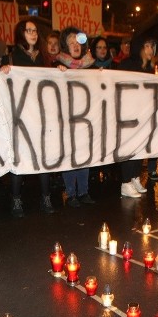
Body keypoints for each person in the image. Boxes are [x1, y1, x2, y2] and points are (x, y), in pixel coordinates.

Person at [6, 19, 56, 217]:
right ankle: (16, 198)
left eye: (35, 31)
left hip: (42, 115)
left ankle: (46, 197)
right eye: (28, 31)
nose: (33, 34)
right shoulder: (12, 57)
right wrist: (4, 71)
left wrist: (58, 71)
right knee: (20, 157)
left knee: (43, 158)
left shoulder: (45, 58)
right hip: (21, 116)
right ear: (21, 33)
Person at [56, 27, 96, 207]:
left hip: (85, 118)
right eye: (70, 42)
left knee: (84, 155)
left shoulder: (91, 66)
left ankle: (84, 191)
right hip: (66, 118)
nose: (75, 45)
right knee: (70, 155)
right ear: (65, 45)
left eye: (78, 41)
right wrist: (58, 73)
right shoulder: (57, 65)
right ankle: (71, 193)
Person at [118, 39, 158, 184]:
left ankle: (134, 177)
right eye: (146, 46)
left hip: (142, 113)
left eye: (152, 46)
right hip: (128, 114)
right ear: (139, 48)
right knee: (129, 148)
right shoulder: (127, 64)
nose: (150, 50)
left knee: (139, 147)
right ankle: (126, 182)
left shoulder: (149, 67)